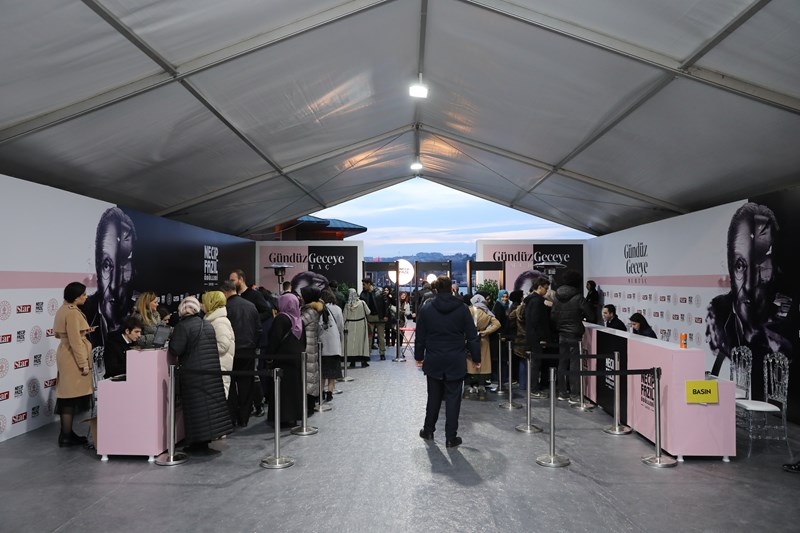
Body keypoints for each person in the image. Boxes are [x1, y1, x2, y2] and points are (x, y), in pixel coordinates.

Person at [706, 202, 791, 401]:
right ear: (730, 267)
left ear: (775, 268)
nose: (749, 284)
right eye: (740, 265)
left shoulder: (784, 335)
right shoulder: (716, 320)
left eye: (761, 266)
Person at [415, 276, 480, 448]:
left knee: (433, 397)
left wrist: (418, 356)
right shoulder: (462, 308)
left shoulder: (426, 308)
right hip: (455, 359)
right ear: (451, 288)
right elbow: (472, 335)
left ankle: (428, 430)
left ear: (436, 289)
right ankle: (451, 438)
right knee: (453, 399)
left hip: (434, 358)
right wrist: (476, 358)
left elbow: (420, 336)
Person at [168, 297, 232, 453]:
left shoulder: (182, 326)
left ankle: (197, 444)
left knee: (195, 410)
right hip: (210, 372)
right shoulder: (207, 324)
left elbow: (176, 349)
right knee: (210, 408)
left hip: (193, 373)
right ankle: (206, 442)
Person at [81, 207, 137, 380]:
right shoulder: (83, 314)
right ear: (97, 267)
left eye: (123, 264)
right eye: (107, 265)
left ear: (134, 269)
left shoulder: (136, 314)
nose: (113, 283)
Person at [53, 282, 94, 448]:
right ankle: (66, 436)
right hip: (72, 358)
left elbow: (67, 334)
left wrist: (85, 331)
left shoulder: (64, 309)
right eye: (83, 294)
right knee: (69, 398)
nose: (86, 297)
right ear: (76, 297)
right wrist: (83, 364)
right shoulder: (72, 313)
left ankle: (67, 434)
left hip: (66, 354)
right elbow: (75, 342)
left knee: (68, 397)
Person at [229, 270, 271, 416]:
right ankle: (245, 406)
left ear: (241, 279)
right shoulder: (233, 298)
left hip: (251, 343)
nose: (231, 282)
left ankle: (259, 404)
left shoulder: (254, 295)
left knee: (253, 375)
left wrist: (252, 320)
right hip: (236, 344)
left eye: (233, 280)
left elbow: (267, 311)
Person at [221, 280, 262, 427]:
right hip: (248, 350)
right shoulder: (250, 306)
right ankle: (244, 418)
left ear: (225, 292)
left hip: (231, 351)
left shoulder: (225, 308)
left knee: (230, 384)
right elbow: (258, 330)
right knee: (246, 384)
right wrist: (253, 345)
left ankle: (231, 417)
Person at [550, 270, 594, 403]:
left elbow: (553, 316)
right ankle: (574, 395)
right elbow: (591, 316)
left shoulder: (556, 297)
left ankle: (562, 392)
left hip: (561, 334)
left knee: (562, 363)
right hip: (575, 334)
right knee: (575, 364)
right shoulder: (579, 297)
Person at [264, 293, 306, 427]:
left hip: (282, 360)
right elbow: (304, 342)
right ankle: (295, 415)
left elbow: (274, 340)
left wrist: (269, 357)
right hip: (296, 360)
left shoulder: (281, 319)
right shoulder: (299, 320)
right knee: (295, 389)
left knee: (282, 390)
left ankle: (282, 417)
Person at [464, 294, 500, 401]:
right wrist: (485, 332)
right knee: (482, 365)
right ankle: (481, 390)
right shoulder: (486, 312)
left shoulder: (469, 310)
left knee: (468, 364)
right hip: (483, 340)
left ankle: (466, 389)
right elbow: (497, 324)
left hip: (470, 339)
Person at [202, 291, 235, 398]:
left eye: (204, 302)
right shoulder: (214, 320)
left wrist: (204, 347)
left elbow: (223, 346)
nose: (202, 305)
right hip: (215, 366)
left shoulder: (219, 322)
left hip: (219, 367)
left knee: (218, 399)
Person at [525, 277, 552, 399]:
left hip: (532, 336)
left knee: (535, 364)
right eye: (545, 288)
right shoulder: (537, 301)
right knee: (535, 364)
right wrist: (542, 337)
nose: (546, 291)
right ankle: (534, 389)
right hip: (536, 337)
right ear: (539, 287)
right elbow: (536, 321)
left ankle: (533, 388)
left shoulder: (531, 300)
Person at [319, 287, 345, 402]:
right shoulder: (337, 309)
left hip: (322, 344)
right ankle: (330, 392)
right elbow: (341, 326)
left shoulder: (319, 309)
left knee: (322, 371)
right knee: (332, 371)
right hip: (334, 344)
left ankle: (321, 393)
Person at [300, 286, 323, 413]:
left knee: (309, 376)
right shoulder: (313, 310)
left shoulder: (309, 312)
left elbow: (299, 324)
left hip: (308, 348)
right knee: (310, 375)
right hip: (311, 346)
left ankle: (309, 406)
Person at [360, 278, 389, 360]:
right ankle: (368, 353)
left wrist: (386, 315)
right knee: (369, 337)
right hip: (370, 317)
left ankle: (382, 353)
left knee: (381, 337)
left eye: (364, 284)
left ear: (369, 284)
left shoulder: (379, 292)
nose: (363, 286)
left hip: (379, 316)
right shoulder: (363, 294)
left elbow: (386, 304)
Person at [343, 288, 371, 368]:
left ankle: (352, 362)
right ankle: (363, 361)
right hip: (361, 324)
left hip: (350, 324)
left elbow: (344, 317)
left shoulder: (347, 305)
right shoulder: (362, 303)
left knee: (352, 344)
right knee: (362, 343)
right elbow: (368, 312)